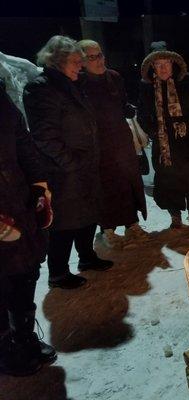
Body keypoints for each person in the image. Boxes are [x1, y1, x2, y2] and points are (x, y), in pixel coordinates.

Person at [23, 35, 113, 290]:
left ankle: (87, 257)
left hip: (83, 165)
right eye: (75, 61)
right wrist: (71, 161)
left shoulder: (71, 83)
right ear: (59, 61)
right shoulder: (41, 88)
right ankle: (58, 273)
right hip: (64, 170)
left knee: (87, 214)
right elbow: (43, 136)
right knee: (64, 223)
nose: (80, 66)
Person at [0, 78, 56, 376]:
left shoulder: (1, 100)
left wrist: (39, 187)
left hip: (18, 205)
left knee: (25, 273)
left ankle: (23, 336)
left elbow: (24, 144)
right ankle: (7, 348)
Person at [78, 39, 148, 248]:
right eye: (92, 57)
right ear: (82, 61)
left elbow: (121, 102)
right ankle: (107, 228)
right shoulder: (79, 83)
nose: (98, 60)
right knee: (106, 185)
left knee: (128, 182)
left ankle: (131, 223)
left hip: (120, 139)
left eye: (99, 54)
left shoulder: (114, 77)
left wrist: (127, 108)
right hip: (98, 143)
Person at [137, 48, 189, 228]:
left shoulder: (186, 82)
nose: (163, 68)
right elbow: (143, 115)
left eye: (166, 63)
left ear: (173, 64)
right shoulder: (147, 88)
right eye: (158, 64)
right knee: (168, 181)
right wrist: (154, 131)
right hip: (164, 144)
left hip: (188, 140)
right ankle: (175, 217)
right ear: (152, 67)